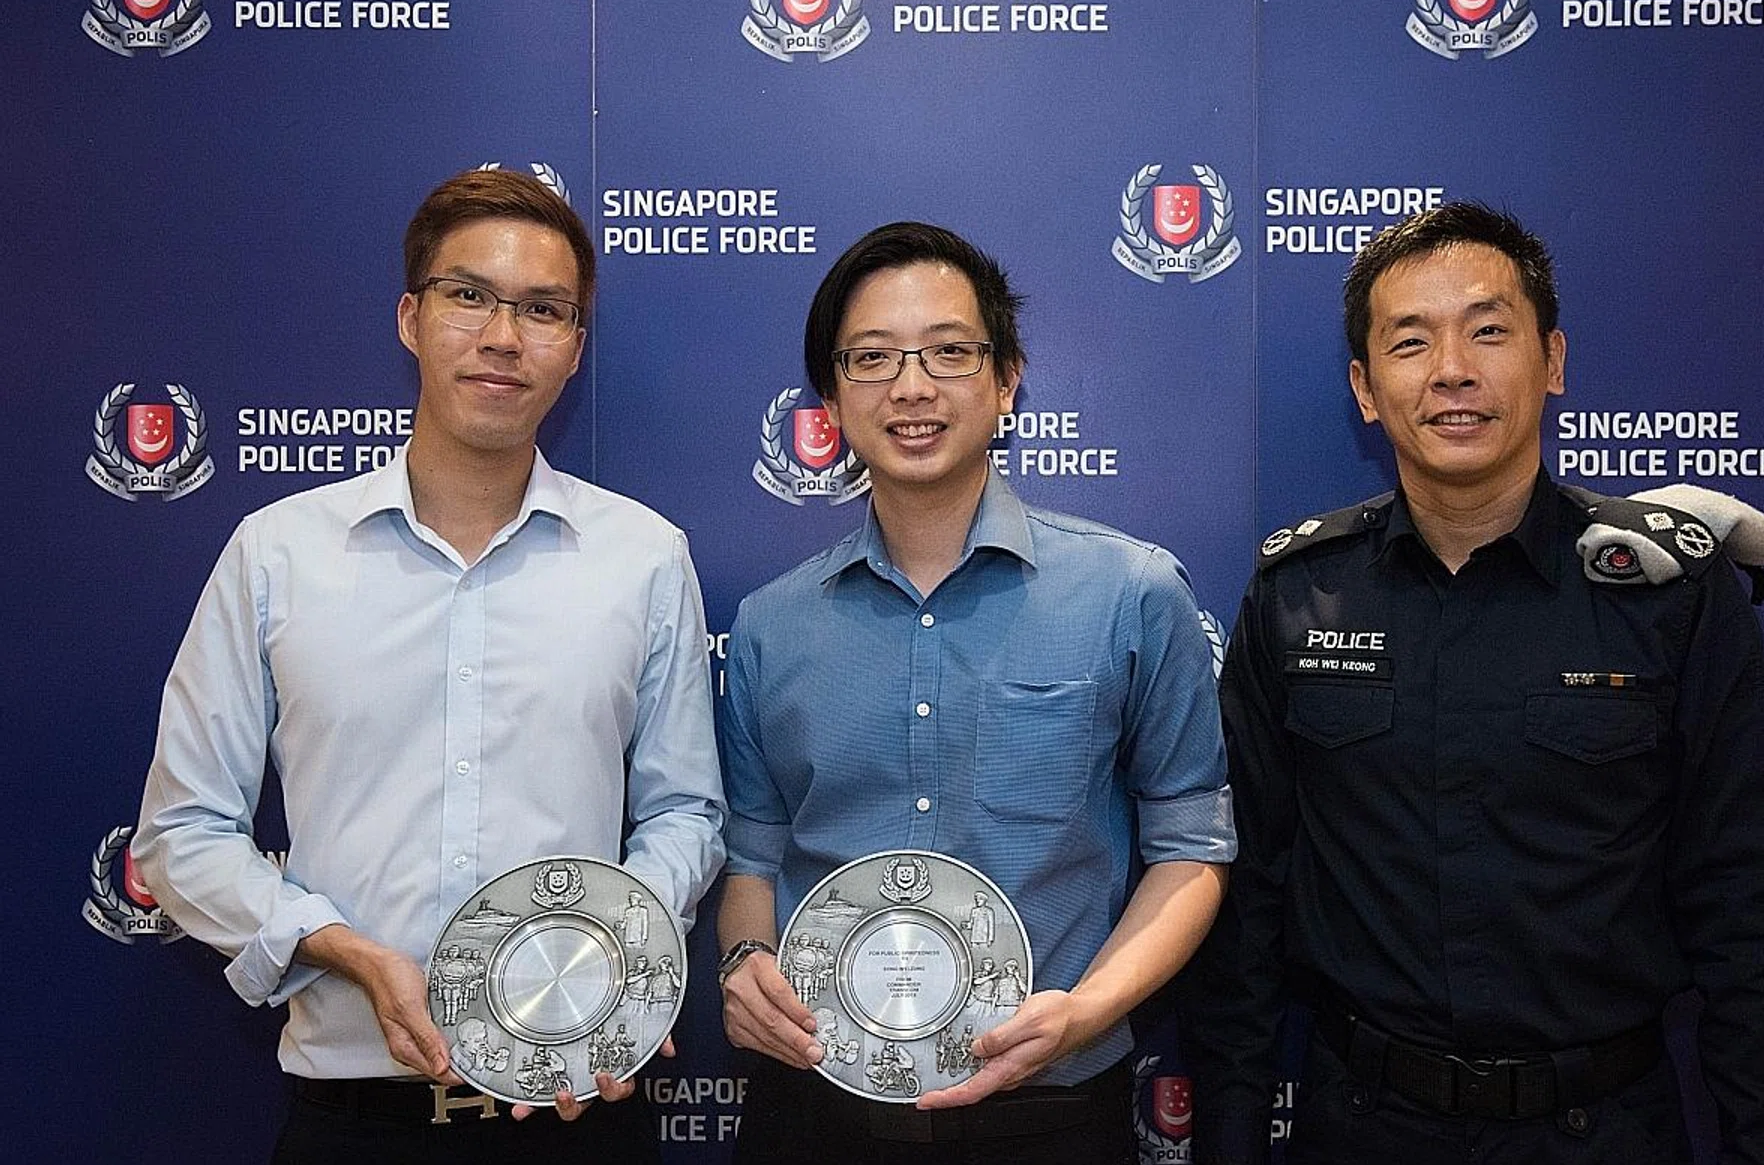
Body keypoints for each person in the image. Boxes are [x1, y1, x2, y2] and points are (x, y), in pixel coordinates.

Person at [1180, 201, 1764, 1164]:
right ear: (1366, 388)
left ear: (1553, 362)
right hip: (1360, 1125)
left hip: (1604, 1128)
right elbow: (1246, 912)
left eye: (1488, 329)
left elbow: (1755, 910)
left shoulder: (1668, 596)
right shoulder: (1296, 596)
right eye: (1411, 341)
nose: (1453, 368)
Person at [133, 168, 726, 1163]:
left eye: (544, 310)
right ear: (411, 318)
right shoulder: (277, 554)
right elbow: (183, 832)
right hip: (351, 1120)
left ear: (575, 346)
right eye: (470, 296)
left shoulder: (645, 556)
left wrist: (611, 963)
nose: (505, 336)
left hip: (575, 1113)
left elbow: (684, 814)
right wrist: (342, 949)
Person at [715, 221, 1236, 1163]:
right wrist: (746, 963)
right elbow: (751, 859)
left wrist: (1088, 1010)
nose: (912, 387)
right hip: (817, 1108)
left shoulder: (1132, 594)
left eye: (950, 352)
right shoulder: (768, 625)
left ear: (1006, 381)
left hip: (1051, 1108)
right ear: (830, 399)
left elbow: (1190, 848)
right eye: (871, 358)